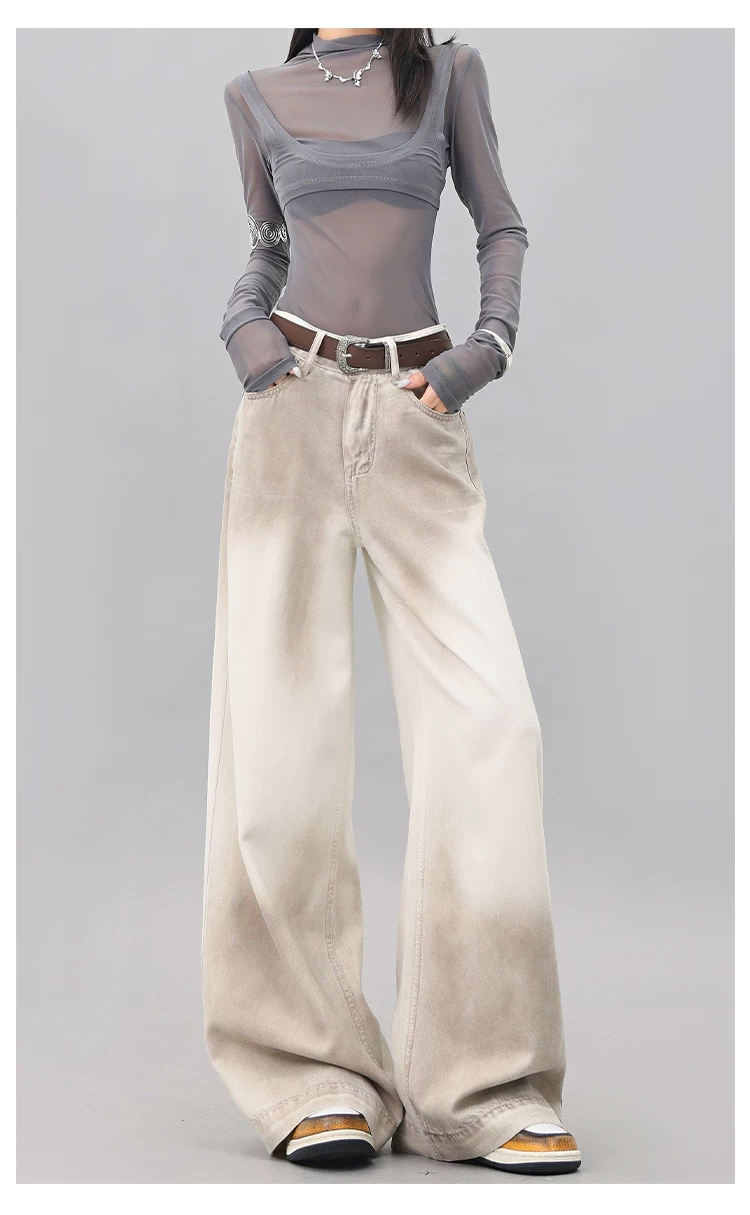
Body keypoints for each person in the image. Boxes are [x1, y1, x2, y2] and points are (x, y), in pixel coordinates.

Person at [202, 27, 581, 1176]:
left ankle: (483, 1084)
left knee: (491, 727)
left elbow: (499, 223)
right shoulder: (253, 93)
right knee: (280, 749)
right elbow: (269, 245)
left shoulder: (447, 72)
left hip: (420, 411)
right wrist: (244, 330)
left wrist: (484, 350)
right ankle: (309, 1076)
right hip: (290, 409)